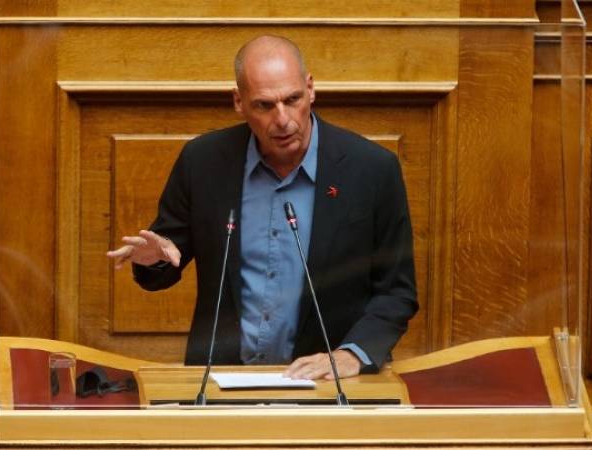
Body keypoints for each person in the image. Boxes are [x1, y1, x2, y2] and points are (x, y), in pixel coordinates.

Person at [107, 35, 417, 380]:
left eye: (293, 99)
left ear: (310, 89)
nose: (283, 119)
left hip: (328, 384)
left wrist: (352, 354)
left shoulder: (371, 170)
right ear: (239, 102)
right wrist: (154, 260)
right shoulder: (203, 162)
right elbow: (164, 261)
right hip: (223, 382)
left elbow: (397, 291)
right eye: (264, 105)